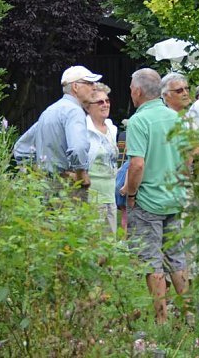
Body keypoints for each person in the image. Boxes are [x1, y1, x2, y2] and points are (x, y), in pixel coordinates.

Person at [121, 68, 189, 324]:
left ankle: (161, 320)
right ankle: (188, 315)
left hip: (149, 202)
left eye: (130, 88)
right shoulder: (176, 119)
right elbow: (188, 158)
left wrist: (129, 192)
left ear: (137, 91)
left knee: (152, 263)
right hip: (174, 197)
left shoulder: (139, 121)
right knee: (177, 260)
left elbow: (137, 165)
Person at [13, 65, 101, 198]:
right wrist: (80, 174)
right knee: (73, 219)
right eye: (89, 83)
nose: (94, 87)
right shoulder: (74, 111)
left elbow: (21, 148)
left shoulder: (49, 111)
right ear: (75, 87)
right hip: (68, 188)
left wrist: (38, 172)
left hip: (44, 187)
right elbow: (78, 148)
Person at [84, 84, 119, 234]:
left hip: (110, 194)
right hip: (92, 195)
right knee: (94, 244)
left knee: (111, 245)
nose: (105, 104)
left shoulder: (112, 128)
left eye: (107, 101)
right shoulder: (83, 129)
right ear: (87, 107)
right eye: (100, 102)